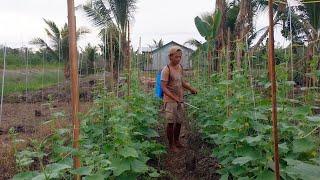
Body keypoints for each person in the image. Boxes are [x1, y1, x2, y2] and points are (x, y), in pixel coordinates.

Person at [161, 46, 198, 153]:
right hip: (170, 100)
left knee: (179, 122)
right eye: (176, 57)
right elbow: (163, 87)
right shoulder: (166, 70)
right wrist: (174, 97)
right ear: (170, 57)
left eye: (180, 57)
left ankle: (177, 141)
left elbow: (181, 82)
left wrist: (191, 89)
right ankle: (171, 145)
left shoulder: (180, 67)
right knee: (171, 123)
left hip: (179, 100)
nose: (178, 59)